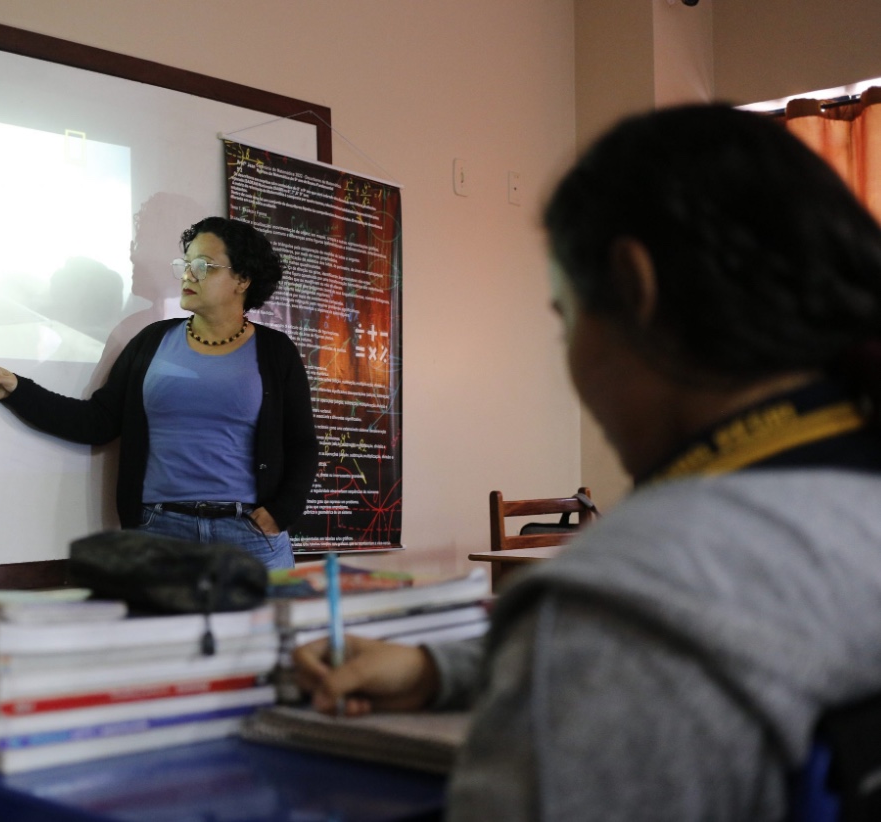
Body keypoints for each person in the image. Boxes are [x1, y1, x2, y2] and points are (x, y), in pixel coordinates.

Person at [294, 104, 881, 821]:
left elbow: (640, 645)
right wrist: (442, 669)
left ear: (635, 287)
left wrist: (549, 656)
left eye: (566, 318)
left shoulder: (632, 592)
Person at [0, 216, 318, 570]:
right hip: (160, 532)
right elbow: (98, 422)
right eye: (186, 264)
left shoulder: (275, 351)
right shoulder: (152, 341)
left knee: (267, 617)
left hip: (249, 535)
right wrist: (19, 390)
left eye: (203, 266)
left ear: (242, 279)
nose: (188, 275)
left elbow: (301, 443)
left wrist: (282, 511)